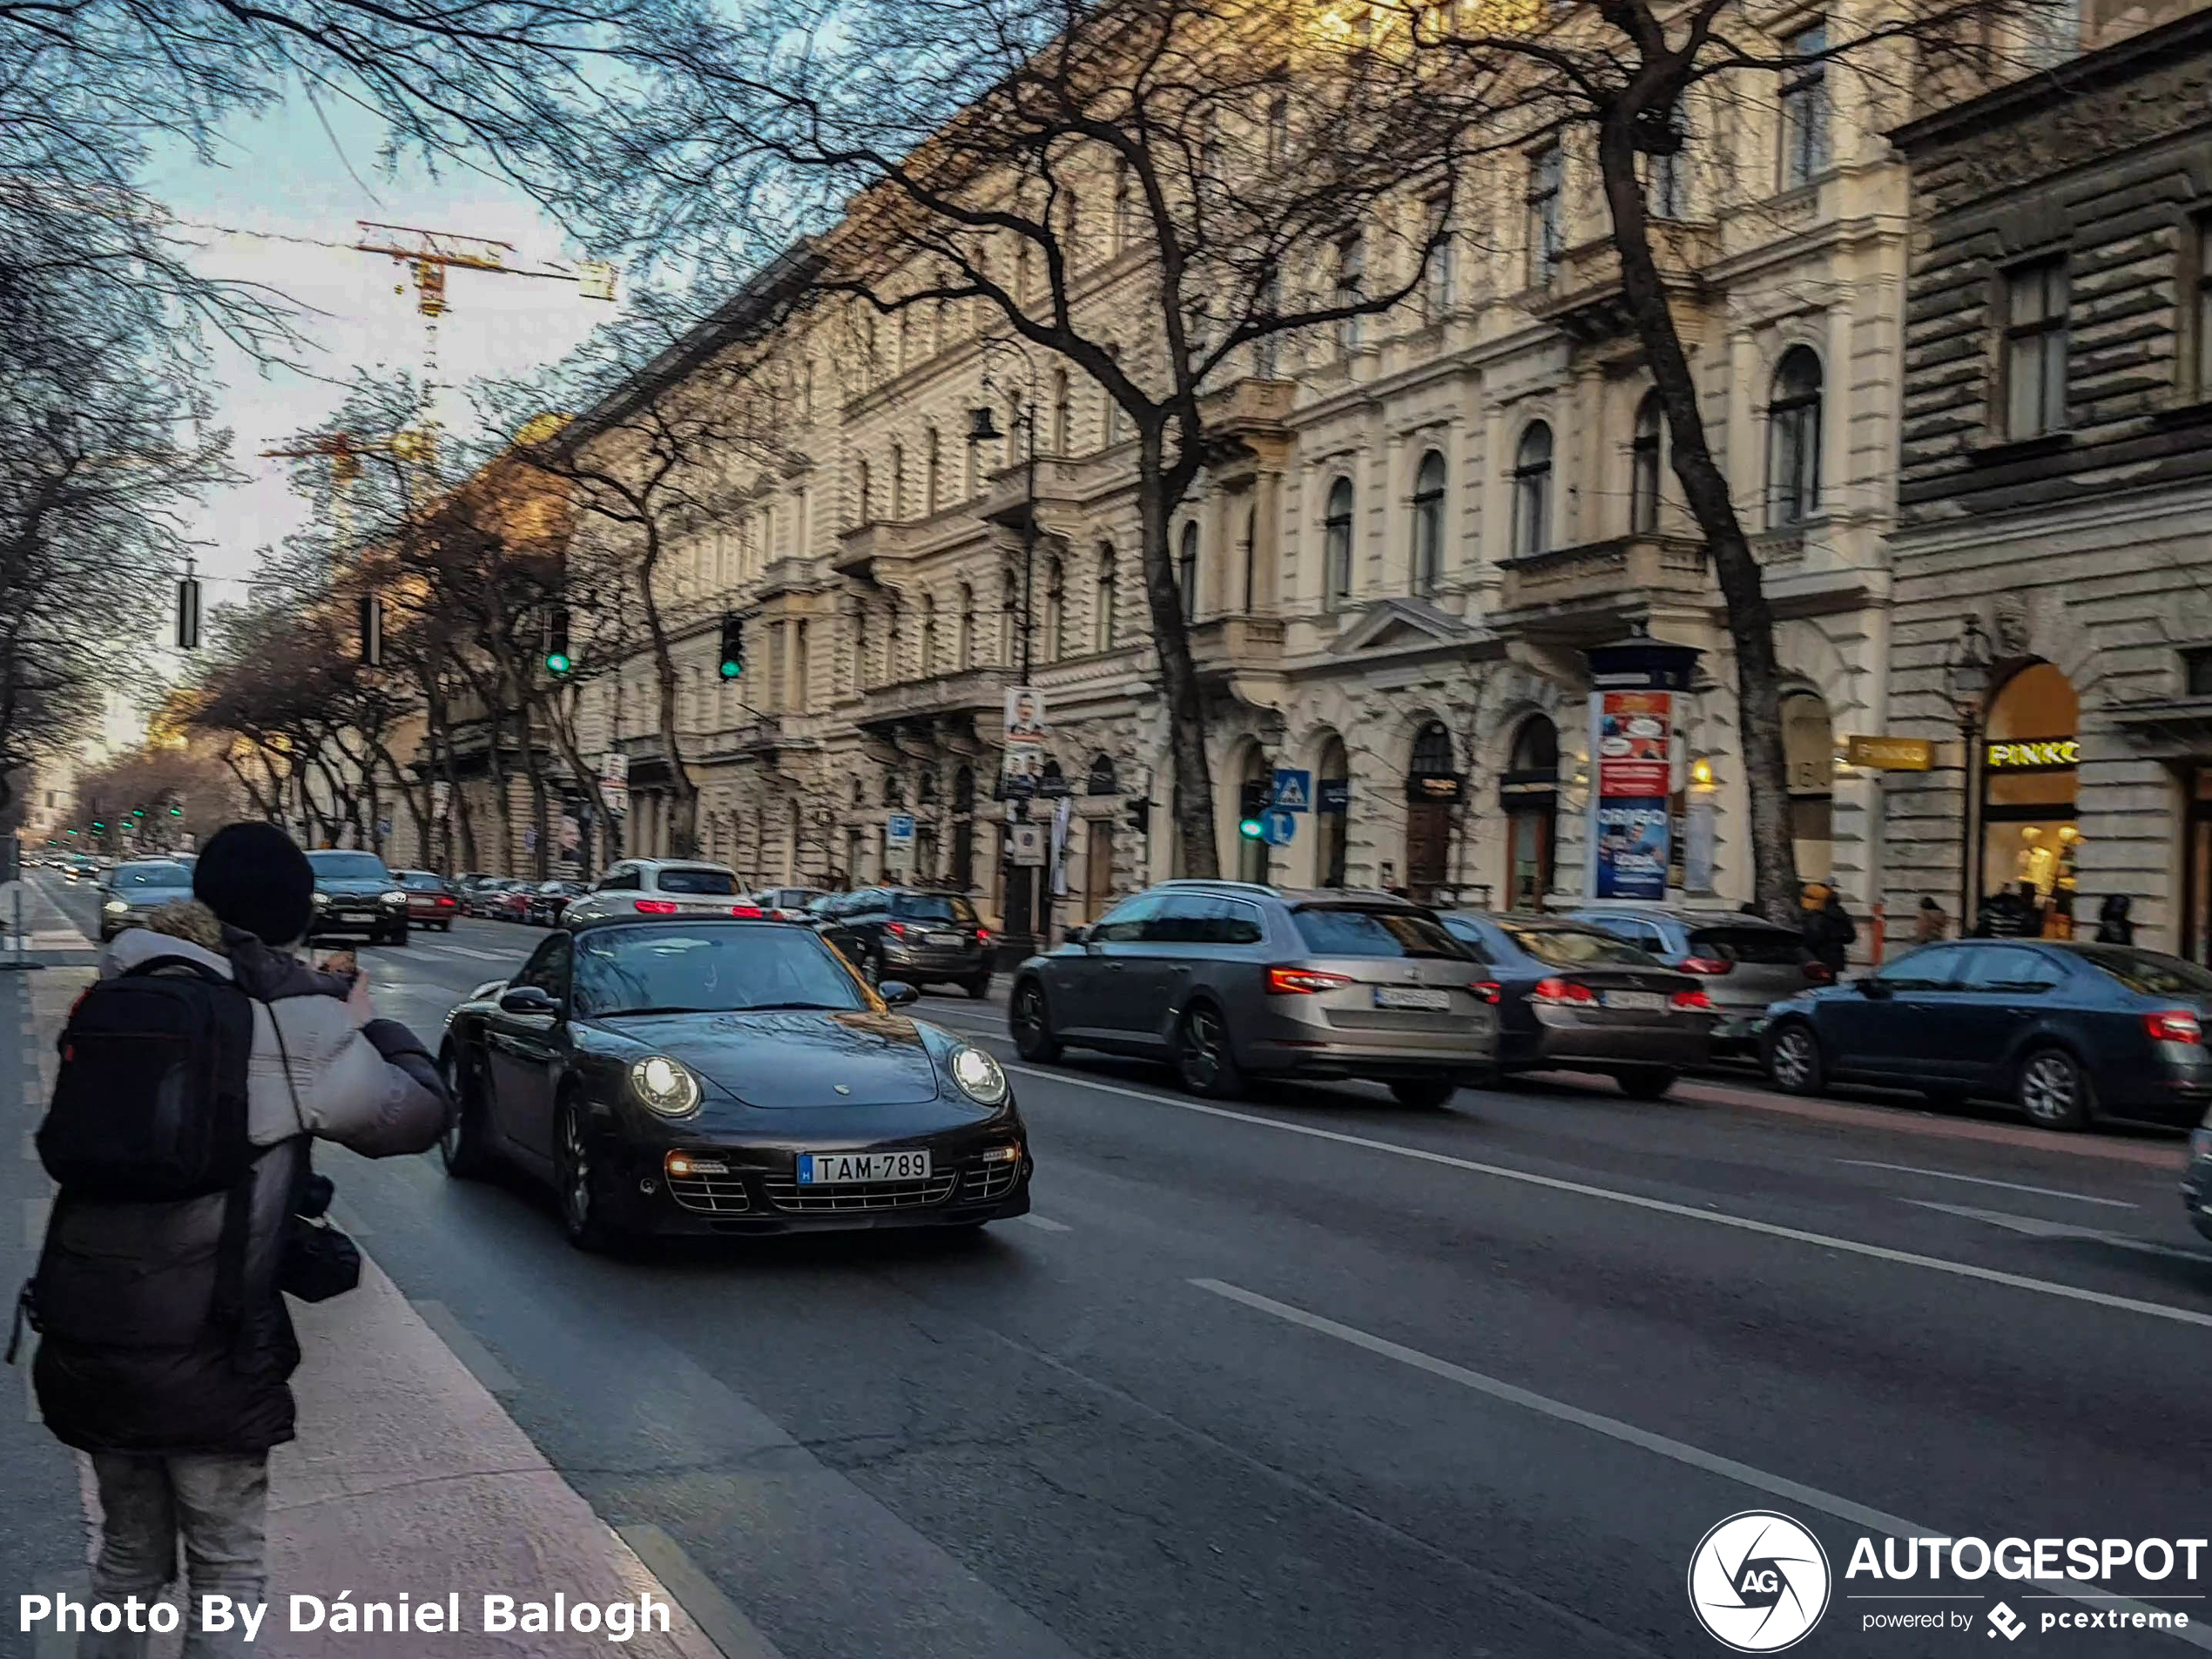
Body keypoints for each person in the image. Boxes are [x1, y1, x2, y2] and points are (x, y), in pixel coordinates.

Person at [29, 822, 447, 1659]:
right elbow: (415, 1116)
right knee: (227, 1575)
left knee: (124, 1564)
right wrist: (370, 1025)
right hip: (211, 1352)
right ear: (293, 915)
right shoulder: (293, 1022)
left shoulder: (116, 989)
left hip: (87, 1332)